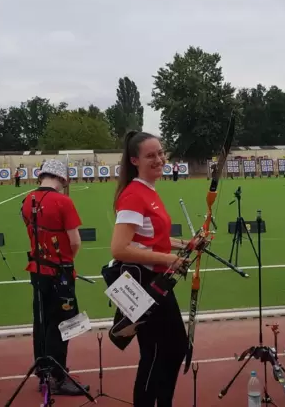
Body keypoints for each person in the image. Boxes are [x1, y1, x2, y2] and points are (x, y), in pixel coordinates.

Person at [109, 131, 189, 407]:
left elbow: (152, 239)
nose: (159, 159)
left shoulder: (148, 191)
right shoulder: (134, 195)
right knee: (155, 354)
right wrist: (170, 259)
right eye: (150, 155)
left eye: (160, 153)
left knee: (176, 347)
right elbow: (119, 249)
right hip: (146, 286)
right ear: (134, 160)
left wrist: (183, 245)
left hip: (158, 283)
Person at [20, 159, 89, 396]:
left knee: (41, 322)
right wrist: (67, 263)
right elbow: (75, 241)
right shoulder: (63, 201)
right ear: (60, 178)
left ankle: (44, 372)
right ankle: (58, 377)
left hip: (37, 272)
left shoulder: (26, 201)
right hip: (59, 274)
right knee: (63, 324)